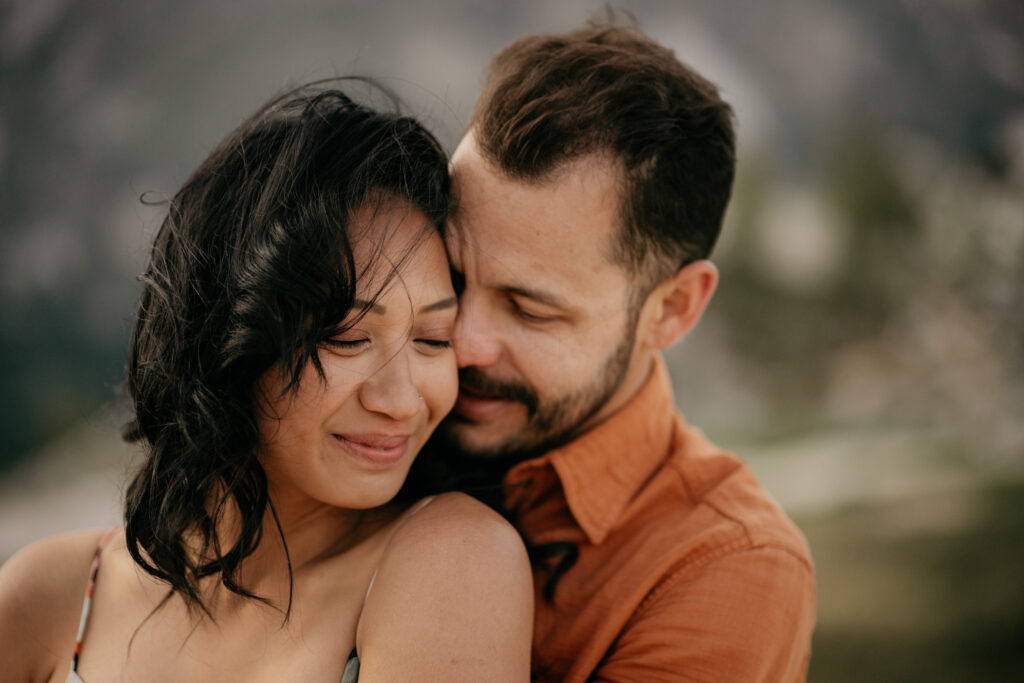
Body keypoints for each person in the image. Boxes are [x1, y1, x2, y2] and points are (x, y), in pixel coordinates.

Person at [0, 83, 533, 682]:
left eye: (433, 340)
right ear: (232, 333)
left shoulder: (451, 561)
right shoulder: (49, 595)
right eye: (346, 338)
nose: (401, 400)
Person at [432, 21, 816, 682]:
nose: (462, 342)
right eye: (452, 276)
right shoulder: (375, 419)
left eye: (529, 308)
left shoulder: (727, 564)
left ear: (672, 309)